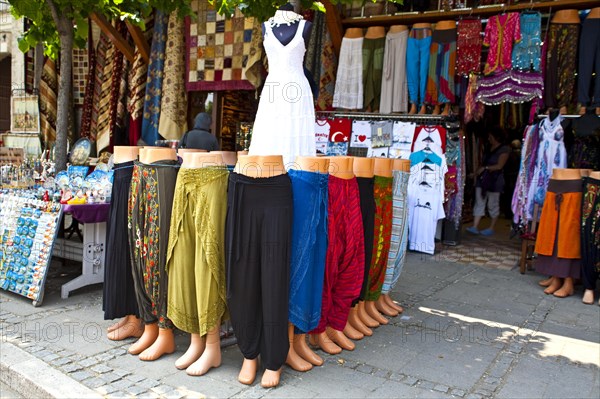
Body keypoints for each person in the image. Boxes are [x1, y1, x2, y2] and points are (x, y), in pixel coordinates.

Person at [467, 126, 510, 236]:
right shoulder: (487, 147)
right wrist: (476, 173)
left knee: (493, 204)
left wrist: (485, 169)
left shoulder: (504, 149)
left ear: (496, 137)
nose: (489, 138)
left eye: (490, 136)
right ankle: (475, 226)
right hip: (483, 179)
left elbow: (499, 166)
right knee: (479, 201)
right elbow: (483, 163)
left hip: (494, 180)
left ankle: (491, 227)